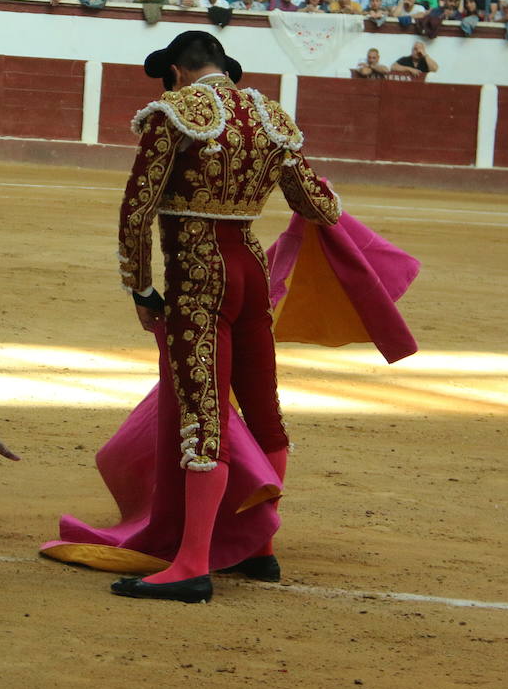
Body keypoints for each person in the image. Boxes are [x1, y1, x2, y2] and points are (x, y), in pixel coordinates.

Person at [64, 31, 341, 604]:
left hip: (198, 275)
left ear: (175, 70)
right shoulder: (271, 116)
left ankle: (192, 563)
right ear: (223, 67)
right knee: (264, 409)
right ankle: (260, 548)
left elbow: (136, 211)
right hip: (251, 269)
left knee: (203, 413)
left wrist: (141, 289)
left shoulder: (176, 112)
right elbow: (319, 206)